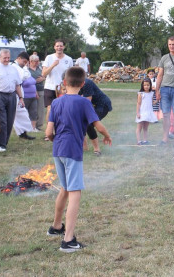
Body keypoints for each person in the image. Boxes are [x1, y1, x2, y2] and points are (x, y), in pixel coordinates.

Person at [46, 66, 112, 253]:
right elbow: (97, 126)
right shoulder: (83, 103)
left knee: (65, 189)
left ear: (65, 83)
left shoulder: (56, 103)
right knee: (75, 192)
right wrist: (107, 136)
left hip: (58, 149)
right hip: (72, 151)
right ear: (83, 84)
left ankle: (56, 227)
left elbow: (48, 132)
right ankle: (68, 240)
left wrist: (56, 141)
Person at [0, 48, 24, 150]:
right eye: (4, 58)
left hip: (11, 96)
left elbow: (17, 85)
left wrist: (21, 98)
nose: (7, 60)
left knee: (10, 120)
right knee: (2, 120)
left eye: (8, 58)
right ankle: (1, 143)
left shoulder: (13, 69)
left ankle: (5, 142)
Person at [42, 39, 74, 130]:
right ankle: (49, 132)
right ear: (54, 47)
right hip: (50, 87)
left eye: (61, 46)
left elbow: (71, 74)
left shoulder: (69, 59)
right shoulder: (49, 58)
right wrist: (53, 65)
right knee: (50, 109)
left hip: (63, 88)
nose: (59, 47)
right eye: (57, 46)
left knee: (63, 110)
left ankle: (62, 129)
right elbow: (44, 73)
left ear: (64, 47)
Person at [79, 78, 112, 156]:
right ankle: (84, 147)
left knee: (89, 124)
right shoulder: (74, 84)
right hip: (93, 105)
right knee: (82, 122)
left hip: (102, 105)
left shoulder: (86, 83)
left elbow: (87, 102)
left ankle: (97, 149)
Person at [13, 51, 36, 139]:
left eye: (26, 62)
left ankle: (23, 133)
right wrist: (26, 68)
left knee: (22, 113)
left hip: (19, 91)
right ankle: (22, 132)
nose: (25, 64)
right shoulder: (14, 66)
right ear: (19, 58)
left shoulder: (19, 67)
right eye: (24, 62)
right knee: (17, 113)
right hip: (14, 92)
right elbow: (24, 76)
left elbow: (28, 76)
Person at [27, 54, 45, 130]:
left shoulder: (40, 68)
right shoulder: (26, 70)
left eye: (38, 61)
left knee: (40, 109)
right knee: (31, 109)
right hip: (30, 92)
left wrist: (43, 78)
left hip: (41, 90)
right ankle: (29, 125)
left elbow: (44, 75)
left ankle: (39, 125)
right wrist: (35, 81)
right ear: (30, 61)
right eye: (36, 61)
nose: (38, 62)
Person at [136, 78, 157, 145]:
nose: (146, 86)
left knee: (145, 127)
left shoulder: (151, 93)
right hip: (142, 113)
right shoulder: (141, 94)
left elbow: (151, 102)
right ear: (142, 86)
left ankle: (145, 140)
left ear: (150, 85)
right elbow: (138, 104)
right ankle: (139, 141)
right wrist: (138, 113)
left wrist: (157, 100)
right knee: (139, 127)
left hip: (148, 112)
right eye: (145, 85)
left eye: (148, 85)